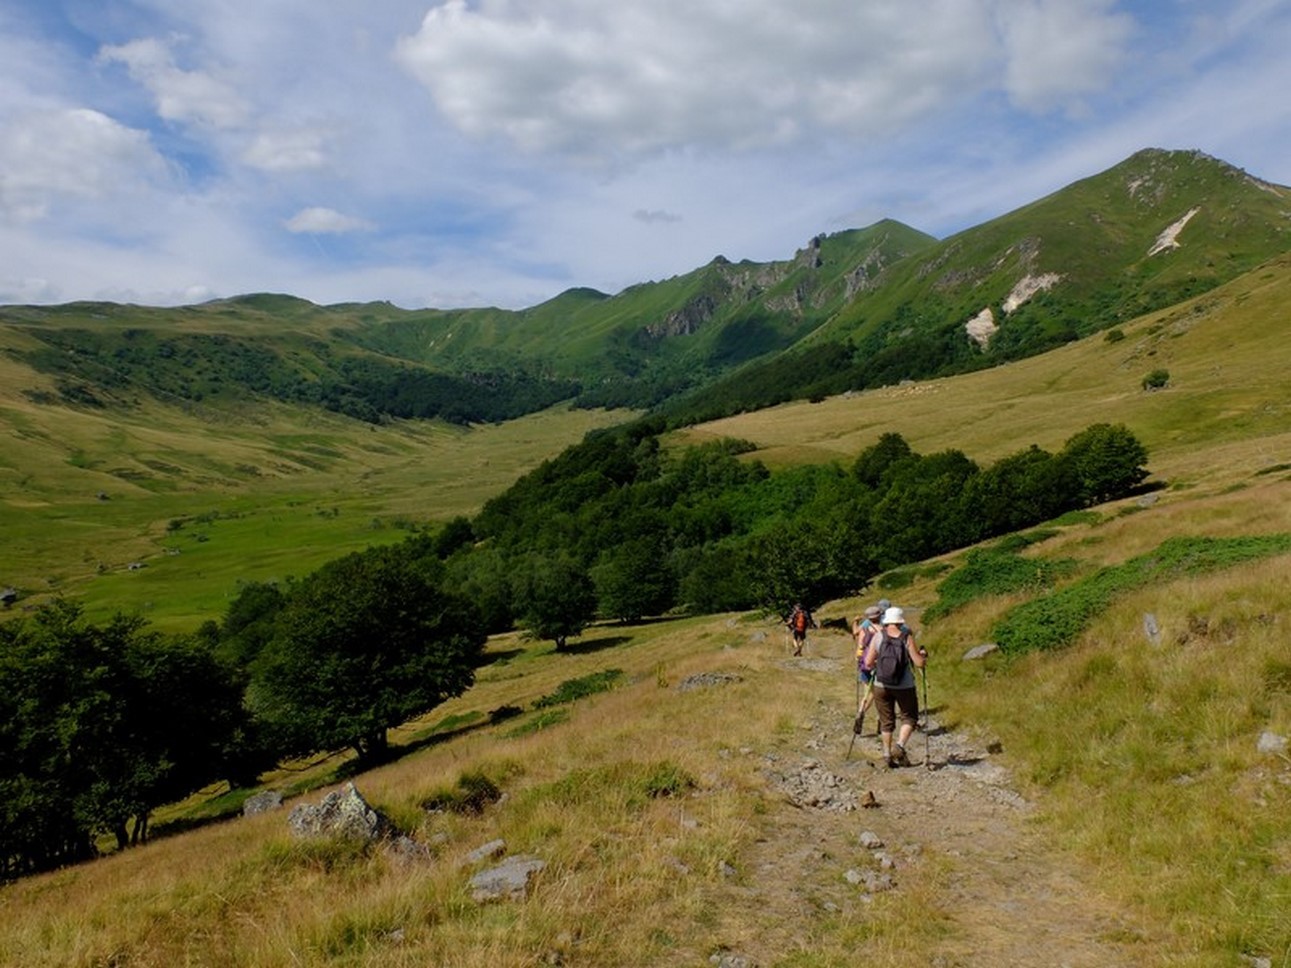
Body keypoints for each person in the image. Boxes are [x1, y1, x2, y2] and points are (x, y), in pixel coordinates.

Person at [863, 605, 927, 767]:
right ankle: (899, 746)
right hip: (904, 685)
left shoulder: (878, 637)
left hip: (880, 684)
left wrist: (879, 664)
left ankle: (886, 754)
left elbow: (868, 663)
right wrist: (923, 656)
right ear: (900, 622)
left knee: (886, 720)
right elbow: (919, 663)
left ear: (886, 621)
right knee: (909, 716)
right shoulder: (906, 637)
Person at [851, 605, 883, 725]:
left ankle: (860, 711)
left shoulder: (864, 630)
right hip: (878, 665)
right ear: (879, 616)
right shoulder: (883, 631)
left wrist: (859, 658)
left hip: (864, 664)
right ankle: (879, 717)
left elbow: (860, 645)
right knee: (878, 692)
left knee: (867, 691)